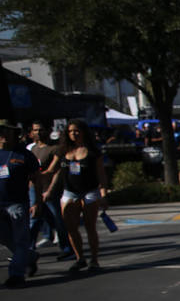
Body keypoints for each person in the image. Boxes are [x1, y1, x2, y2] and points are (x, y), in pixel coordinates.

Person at [42, 118, 111, 273]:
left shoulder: (93, 152)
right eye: (71, 131)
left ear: (84, 132)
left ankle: (94, 259)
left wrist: (103, 194)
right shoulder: (62, 150)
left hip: (90, 192)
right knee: (71, 228)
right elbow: (53, 171)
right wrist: (41, 180)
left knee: (90, 227)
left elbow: (101, 175)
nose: (74, 133)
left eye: (77, 130)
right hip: (69, 192)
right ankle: (80, 258)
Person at [1, 119, 41, 287]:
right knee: (4, 238)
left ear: (13, 133)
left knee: (20, 240)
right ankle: (30, 256)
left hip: (17, 203)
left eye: (5, 131)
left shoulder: (24, 154)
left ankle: (16, 274)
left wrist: (36, 201)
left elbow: (35, 179)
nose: (2, 135)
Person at [25, 121, 73, 260]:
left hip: (50, 189)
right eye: (35, 130)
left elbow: (54, 171)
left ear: (48, 130)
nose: (38, 133)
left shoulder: (55, 148)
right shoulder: (32, 149)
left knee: (58, 219)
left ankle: (66, 248)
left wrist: (50, 190)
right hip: (35, 189)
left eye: (41, 130)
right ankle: (28, 250)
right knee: (34, 219)